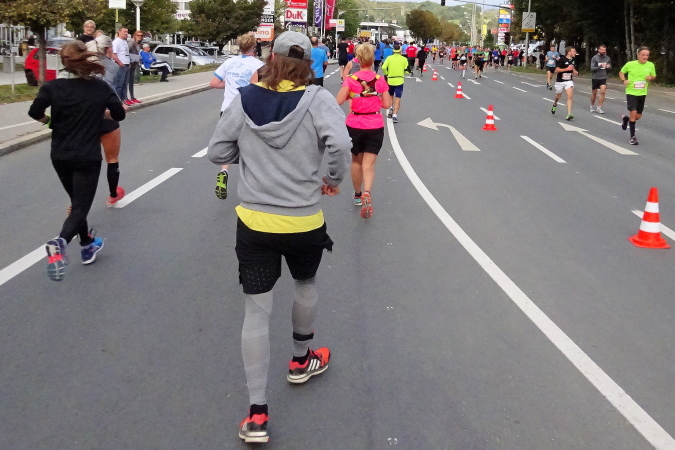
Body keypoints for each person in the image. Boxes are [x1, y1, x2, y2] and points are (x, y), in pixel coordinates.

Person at [207, 31, 351, 444]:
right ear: (308, 63)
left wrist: (249, 155)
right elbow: (340, 144)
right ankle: (301, 360)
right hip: (303, 220)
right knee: (305, 284)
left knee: (256, 311)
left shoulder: (245, 99)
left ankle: (257, 414)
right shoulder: (318, 99)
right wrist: (332, 179)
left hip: (255, 222)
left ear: (270, 58)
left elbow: (217, 151)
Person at [28, 41, 125, 281]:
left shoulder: (52, 87)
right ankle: (60, 242)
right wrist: (102, 113)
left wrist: (50, 122)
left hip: (60, 155)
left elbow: (34, 112)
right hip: (86, 156)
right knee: (80, 207)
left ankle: (87, 244)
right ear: (85, 57)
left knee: (76, 202)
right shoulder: (100, 87)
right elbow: (119, 114)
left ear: (63, 61)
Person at [336, 43, 391, 218]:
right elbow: (387, 104)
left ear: (358, 60)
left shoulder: (351, 79)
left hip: (355, 124)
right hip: (375, 124)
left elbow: (338, 101)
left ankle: (358, 194)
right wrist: (375, 97)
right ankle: (367, 191)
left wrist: (353, 95)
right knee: (369, 164)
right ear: (372, 59)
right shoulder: (379, 80)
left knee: (356, 162)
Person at [210, 33, 264, 200]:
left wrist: (230, 85)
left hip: (227, 110)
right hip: (248, 109)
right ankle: (250, 183)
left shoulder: (229, 62)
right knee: (250, 146)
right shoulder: (259, 65)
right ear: (254, 47)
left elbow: (213, 83)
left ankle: (224, 172)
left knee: (228, 144)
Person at [95, 34, 128, 207]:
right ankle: (113, 194)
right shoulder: (112, 66)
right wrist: (119, 104)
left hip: (86, 116)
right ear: (109, 49)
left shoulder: (84, 65)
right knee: (112, 158)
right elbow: (108, 87)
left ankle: (76, 198)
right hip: (106, 114)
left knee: (88, 159)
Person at [619, 46, 656, 145]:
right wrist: (624, 80)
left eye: (647, 55)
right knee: (633, 112)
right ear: (638, 55)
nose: (645, 57)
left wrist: (651, 78)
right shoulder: (630, 64)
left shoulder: (650, 65)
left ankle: (626, 119)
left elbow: (654, 76)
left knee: (637, 116)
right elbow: (621, 72)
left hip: (642, 93)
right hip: (631, 92)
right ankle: (632, 137)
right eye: (643, 55)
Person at [381, 42, 407, 123]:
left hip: (390, 80)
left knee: (390, 95)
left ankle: (390, 108)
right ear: (400, 51)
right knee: (398, 97)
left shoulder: (389, 58)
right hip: (400, 80)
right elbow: (406, 70)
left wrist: (386, 74)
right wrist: (402, 72)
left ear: (393, 51)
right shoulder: (404, 59)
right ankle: (395, 115)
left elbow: (383, 67)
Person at [551, 46, 578, 121]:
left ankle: (569, 113)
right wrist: (566, 69)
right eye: (574, 51)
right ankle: (555, 104)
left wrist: (574, 71)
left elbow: (572, 67)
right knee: (558, 96)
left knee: (570, 96)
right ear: (569, 52)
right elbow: (556, 70)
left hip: (569, 80)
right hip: (560, 81)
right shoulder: (562, 59)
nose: (575, 53)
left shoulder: (573, 60)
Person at [112, 27, 132, 106]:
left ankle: (123, 99)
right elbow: (114, 54)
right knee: (119, 84)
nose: (126, 33)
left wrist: (128, 63)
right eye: (124, 31)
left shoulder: (124, 42)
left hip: (126, 64)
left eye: (127, 32)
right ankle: (118, 100)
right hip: (120, 65)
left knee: (124, 84)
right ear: (119, 32)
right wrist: (120, 63)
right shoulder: (116, 42)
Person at [589, 45, 611, 114]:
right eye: (601, 50)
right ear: (598, 50)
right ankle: (592, 106)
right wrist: (600, 66)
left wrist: (608, 67)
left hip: (603, 77)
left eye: (604, 50)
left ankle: (599, 107)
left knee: (603, 91)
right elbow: (592, 69)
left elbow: (610, 68)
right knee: (594, 93)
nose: (603, 51)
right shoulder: (594, 58)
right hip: (595, 77)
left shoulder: (607, 58)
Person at [127, 30, 143, 104]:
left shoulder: (138, 43)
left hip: (134, 63)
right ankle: (125, 98)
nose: (140, 37)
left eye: (141, 36)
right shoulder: (131, 42)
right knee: (127, 82)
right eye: (138, 35)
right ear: (135, 36)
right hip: (129, 64)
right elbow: (126, 52)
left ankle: (132, 97)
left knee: (131, 81)